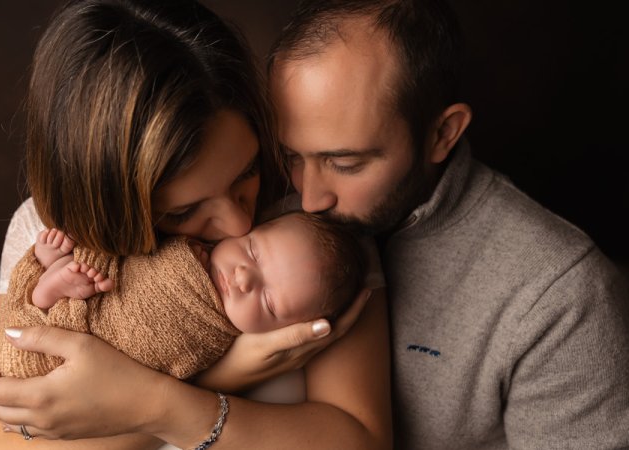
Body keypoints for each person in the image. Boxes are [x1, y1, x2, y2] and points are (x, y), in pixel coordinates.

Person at [0, 1, 393, 449]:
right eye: (181, 212)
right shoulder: (48, 238)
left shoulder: (309, 230)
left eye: (246, 173)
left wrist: (165, 406)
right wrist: (217, 376)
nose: (238, 224)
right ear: (109, 203)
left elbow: (360, 440)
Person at [265, 0, 629, 448]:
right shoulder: (259, 204)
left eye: (345, 162)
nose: (309, 199)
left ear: (443, 133)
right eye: (291, 156)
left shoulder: (560, 296)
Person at [0, 211, 367, 380]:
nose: (244, 278)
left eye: (269, 304)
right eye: (251, 251)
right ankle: (48, 282)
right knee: (81, 279)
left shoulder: (215, 336)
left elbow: (164, 368)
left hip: (96, 336)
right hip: (92, 292)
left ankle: (51, 289)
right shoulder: (185, 245)